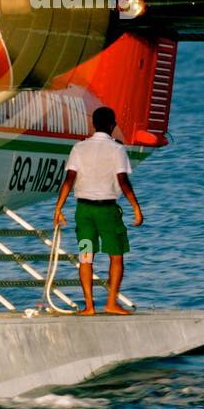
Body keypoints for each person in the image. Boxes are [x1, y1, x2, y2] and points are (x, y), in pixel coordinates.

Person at [53, 106, 144, 315]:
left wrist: (58, 209)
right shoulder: (117, 149)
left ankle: (89, 306)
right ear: (113, 126)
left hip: (83, 212)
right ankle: (111, 303)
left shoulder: (79, 148)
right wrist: (136, 207)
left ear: (93, 124)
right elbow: (123, 181)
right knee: (116, 256)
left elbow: (69, 180)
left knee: (86, 257)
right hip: (107, 212)